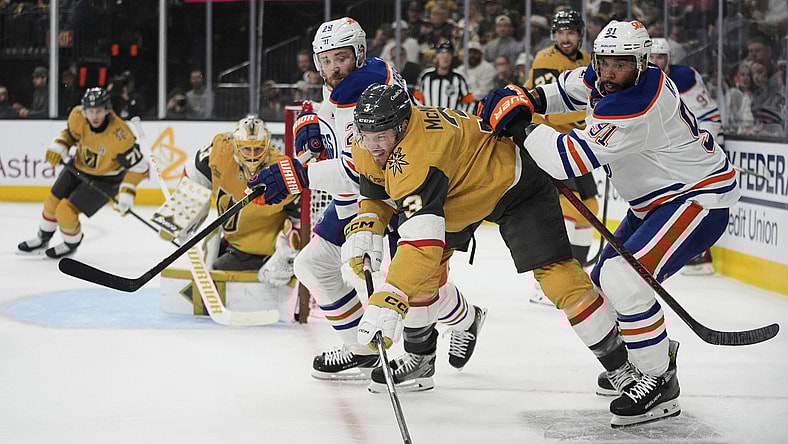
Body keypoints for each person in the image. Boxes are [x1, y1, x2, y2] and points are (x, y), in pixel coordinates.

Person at [479, 20, 740, 427]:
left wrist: (521, 123)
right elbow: (568, 88)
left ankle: (658, 380)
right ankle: (653, 355)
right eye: (604, 63)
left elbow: (569, 159)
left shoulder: (636, 103)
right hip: (658, 200)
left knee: (623, 278)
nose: (609, 73)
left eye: (620, 64)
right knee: (605, 278)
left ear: (641, 62)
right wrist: (529, 98)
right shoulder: (614, 78)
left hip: (698, 198)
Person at [246, 17, 486, 386]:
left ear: (357, 54)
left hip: (393, 196)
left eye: (339, 58)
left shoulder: (365, 91)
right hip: (361, 199)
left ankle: (463, 318)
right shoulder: (361, 77)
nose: (331, 68)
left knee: (415, 288)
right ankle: (362, 348)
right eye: (324, 60)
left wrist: (296, 175)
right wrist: (313, 115)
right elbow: (337, 122)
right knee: (312, 264)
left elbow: (358, 169)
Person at [17, 87, 148, 258]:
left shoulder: (120, 135)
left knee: (65, 211)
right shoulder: (78, 116)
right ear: (84, 110)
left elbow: (140, 167)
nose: (94, 116)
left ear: (107, 110)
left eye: (99, 111)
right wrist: (60, 147)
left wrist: (127, 192)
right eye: (90, 111)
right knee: (51, 203)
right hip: (78, 168)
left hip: (105, 180)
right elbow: (71, 135)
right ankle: (42, 239)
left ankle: (71, 244)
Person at [525, 10, 596, 306]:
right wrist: (588, 117)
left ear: (580, 35)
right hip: (549, 141)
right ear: (554, 35)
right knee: (567, 205)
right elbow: (553, 107)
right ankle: (552, 280)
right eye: (561, 32)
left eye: (571, 32)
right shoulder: (545, 59)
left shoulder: (588, 61)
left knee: (588, 207)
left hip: (576, 143)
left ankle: (575, 275)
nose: (565, 38)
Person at [181, 115, 301, 275]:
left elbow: (304, 221)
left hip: (264, 253)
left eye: (258, 149)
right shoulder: (221, 151)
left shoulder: (281, 171)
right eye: (246, 149)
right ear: (235, 145)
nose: (252, 155)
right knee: (211, 243)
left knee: (216, 271)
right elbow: (195, 173)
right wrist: (181, 212)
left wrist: (288, 255)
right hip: (233, 241)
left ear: (267, 146)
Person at [649, 37, 724, 275]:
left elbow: (709, 116)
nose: (655, 61)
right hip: (677, 145)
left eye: (660, 57)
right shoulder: (646, 79)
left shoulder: (683, 78)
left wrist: (705, 146)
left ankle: (702, 255)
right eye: (651, 57)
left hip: (701, 141)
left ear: (669, 59)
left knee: (700, 195)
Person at [413, 40, 476, 112]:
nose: (445, 57)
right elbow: (417, 101)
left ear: (452, 56)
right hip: (429, 121)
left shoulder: (459, 77)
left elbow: (469, 102)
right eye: (442, 53)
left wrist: (461, 119)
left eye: (448, 53)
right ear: (437, 55)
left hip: (453, 121)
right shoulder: (425, 76)